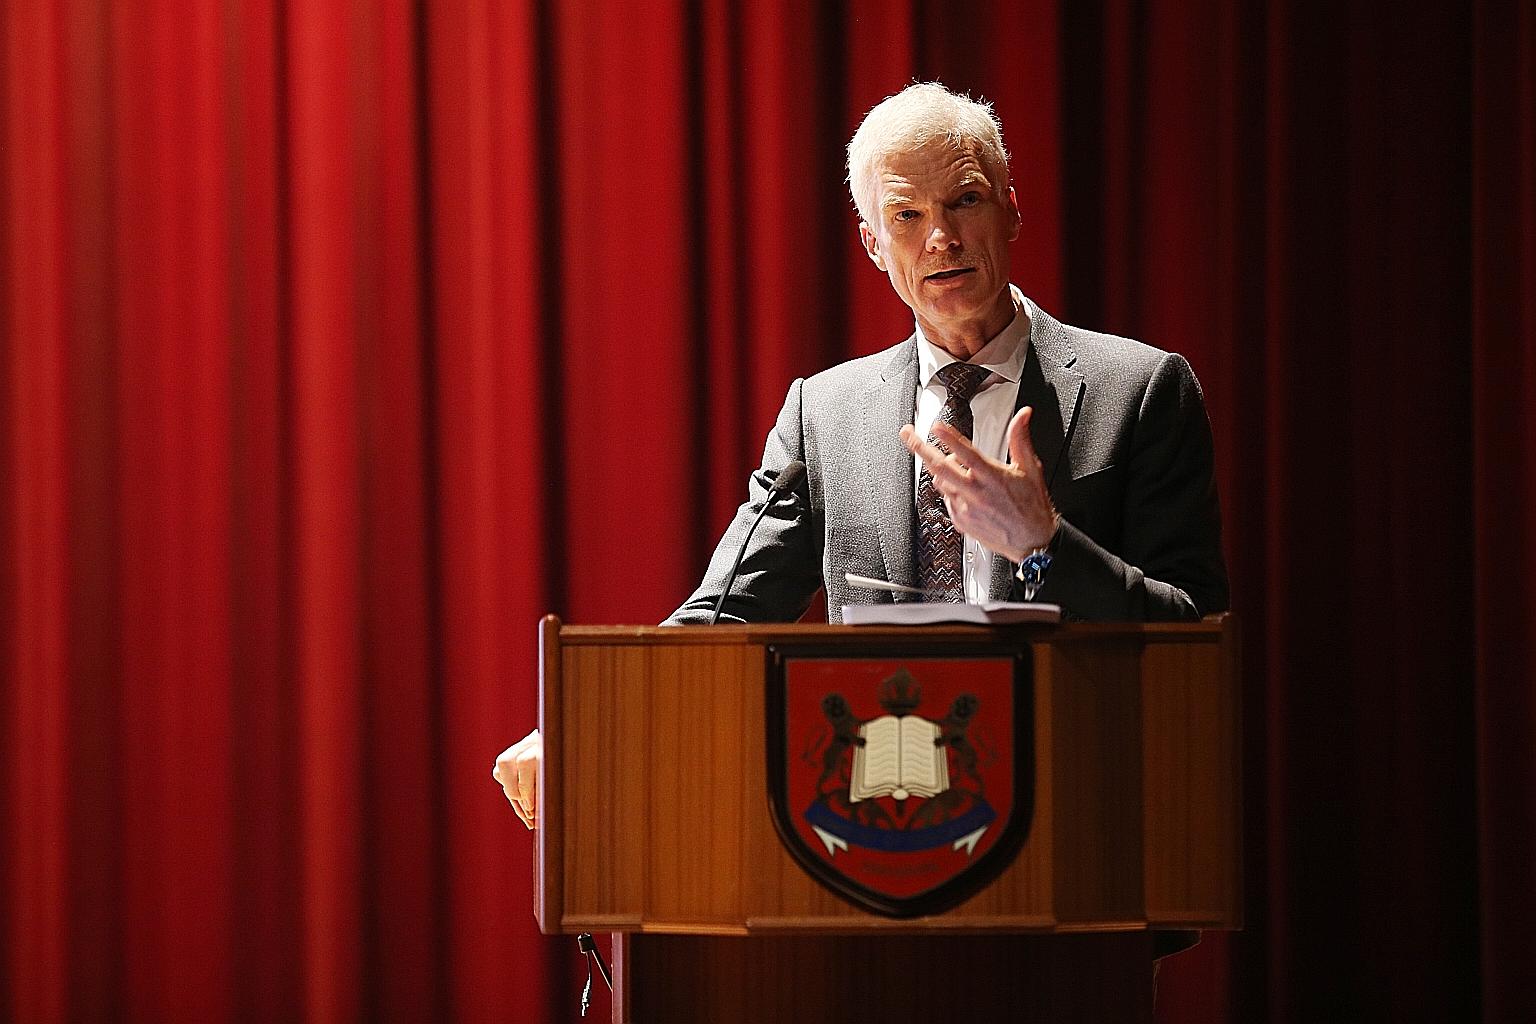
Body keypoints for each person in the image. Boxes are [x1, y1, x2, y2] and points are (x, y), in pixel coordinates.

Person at [494, 81, 1228, 834]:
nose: (940, 237)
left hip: (1080, 819)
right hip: (879, 827)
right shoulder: (825, 414)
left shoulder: (1139, 390)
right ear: (873, 244)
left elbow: (1198, 639)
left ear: (1012, 209)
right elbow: (723, 616)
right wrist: (580, 726)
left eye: (965, 201)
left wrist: (1045, 545)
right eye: (907, 215)